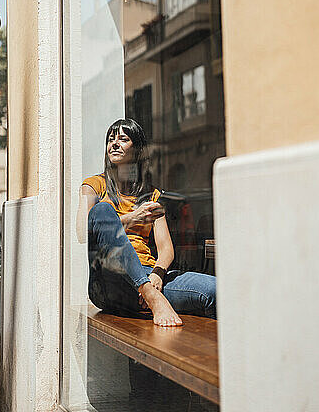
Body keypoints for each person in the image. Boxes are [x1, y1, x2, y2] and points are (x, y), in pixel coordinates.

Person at [79, 118, 216, 327]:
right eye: (110, 139)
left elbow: (166, 249)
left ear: (138, 151)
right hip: (110, 281)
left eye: (123, 139)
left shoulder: (152, 196)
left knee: (215, 290)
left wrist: (158, 275)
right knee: (101, 210)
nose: (114, 143)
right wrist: (133, 218)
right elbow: (82, 230)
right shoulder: (94, 186)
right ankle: (150, 296)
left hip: (148, 276)